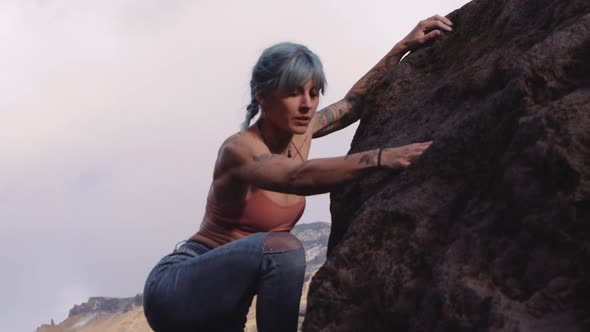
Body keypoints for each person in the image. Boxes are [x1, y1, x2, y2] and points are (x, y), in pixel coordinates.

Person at [142, 15, 454, 332]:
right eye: (294, 93)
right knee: (285, 247)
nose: (307, 105)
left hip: (225, 311)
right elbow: (295, 177)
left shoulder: (301, 132)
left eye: (314, 92)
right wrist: (381, 157)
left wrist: (402, 46)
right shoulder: (239, 149)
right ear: (263, 96)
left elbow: (353, 103)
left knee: (282, 247)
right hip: (179, 290)